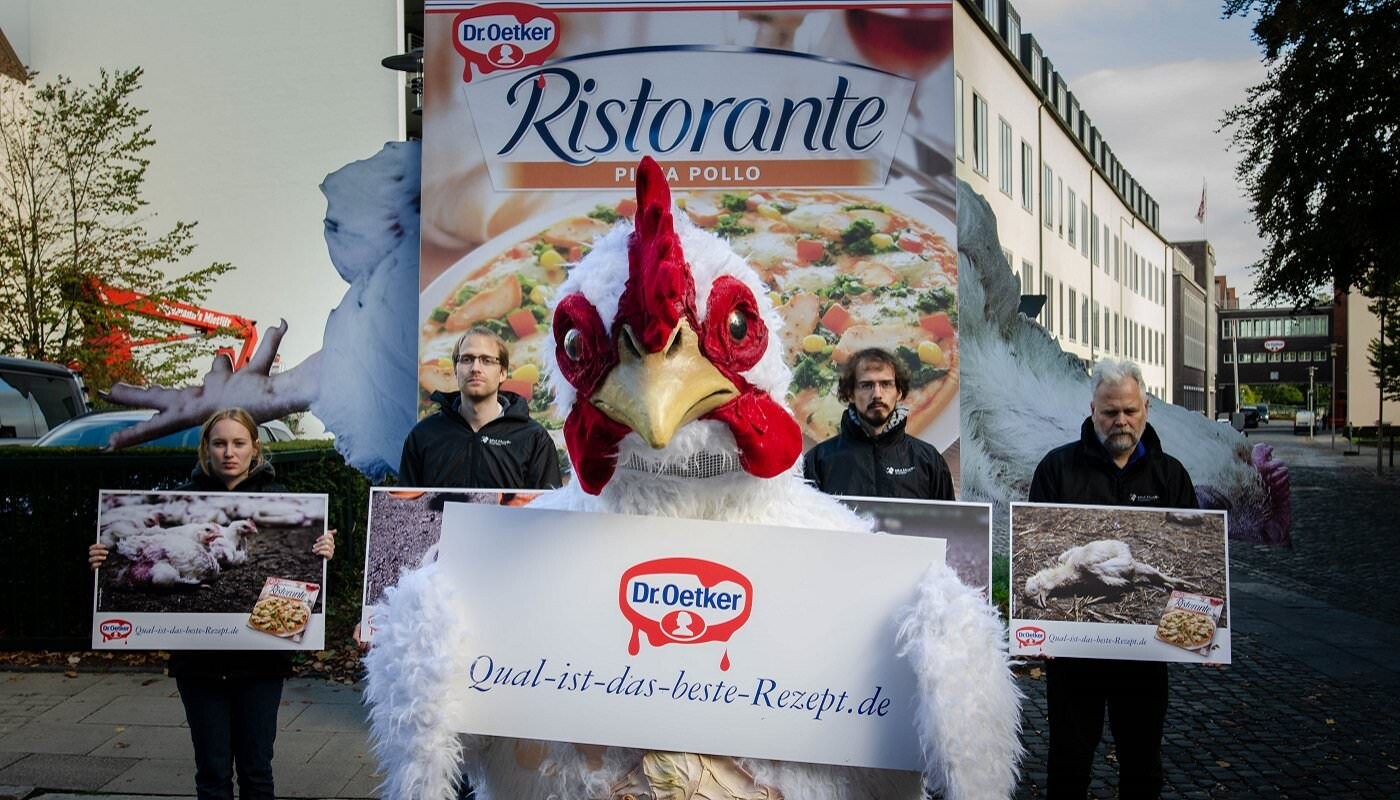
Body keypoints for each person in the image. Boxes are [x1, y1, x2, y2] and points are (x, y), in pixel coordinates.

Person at [88, 408, 335, 800]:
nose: (228, 453)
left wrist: (325, 554)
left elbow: (310, 594)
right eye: (219, 443)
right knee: (212, 772)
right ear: (207, 449)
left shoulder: (282, 498)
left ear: (255, 449)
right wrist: (102, 561)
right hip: (198, 663)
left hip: (262, 663)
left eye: (238, 443)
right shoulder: (180, 496)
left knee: (257, 770)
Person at [1027, 358, 1197, 800]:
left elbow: (1209, 550)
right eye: (1109, 412)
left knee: (1142, 764)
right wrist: (1036, 637)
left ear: (1146, 408)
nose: (1120, 421)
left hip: (1144, 661)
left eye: (1130, 411)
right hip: (1074, 661)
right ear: (1092, 410)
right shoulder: (1056, 469)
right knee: (1068, 763)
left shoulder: (1170, 475)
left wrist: (1205, 637)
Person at [398, 326, 562, 489]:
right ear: (455, 370)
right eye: (467, 359)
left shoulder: (534, 439)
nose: (475, 368)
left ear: (503, 373)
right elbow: (404, 506)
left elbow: (548, 510)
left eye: (487, 360)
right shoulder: (423, 435)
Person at [802, 347, 955, 500]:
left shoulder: (928, 460)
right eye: (866, 385)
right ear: (850, 394)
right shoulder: (818, 461)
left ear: (899, 392)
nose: (877, 394)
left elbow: (948, 522)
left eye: (886, 384)